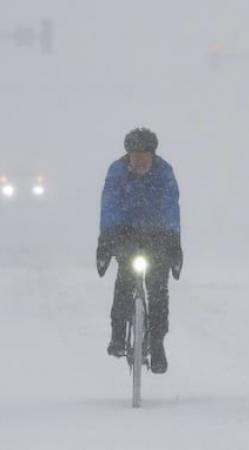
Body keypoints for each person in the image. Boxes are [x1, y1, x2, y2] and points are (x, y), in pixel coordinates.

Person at [96, 127, 183, 374]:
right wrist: (106, 242)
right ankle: (117, 334)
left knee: (158, 289)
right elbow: (109, 206)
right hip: (126, 234)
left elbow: (171, 209)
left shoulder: (164, 173)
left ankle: (157, 344)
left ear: (152, 155)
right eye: (135, 157)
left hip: (157, 235)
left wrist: (174, 243)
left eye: (144, 157)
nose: (140, 162)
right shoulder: (117, 171)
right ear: (128, 156)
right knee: (125, 280)